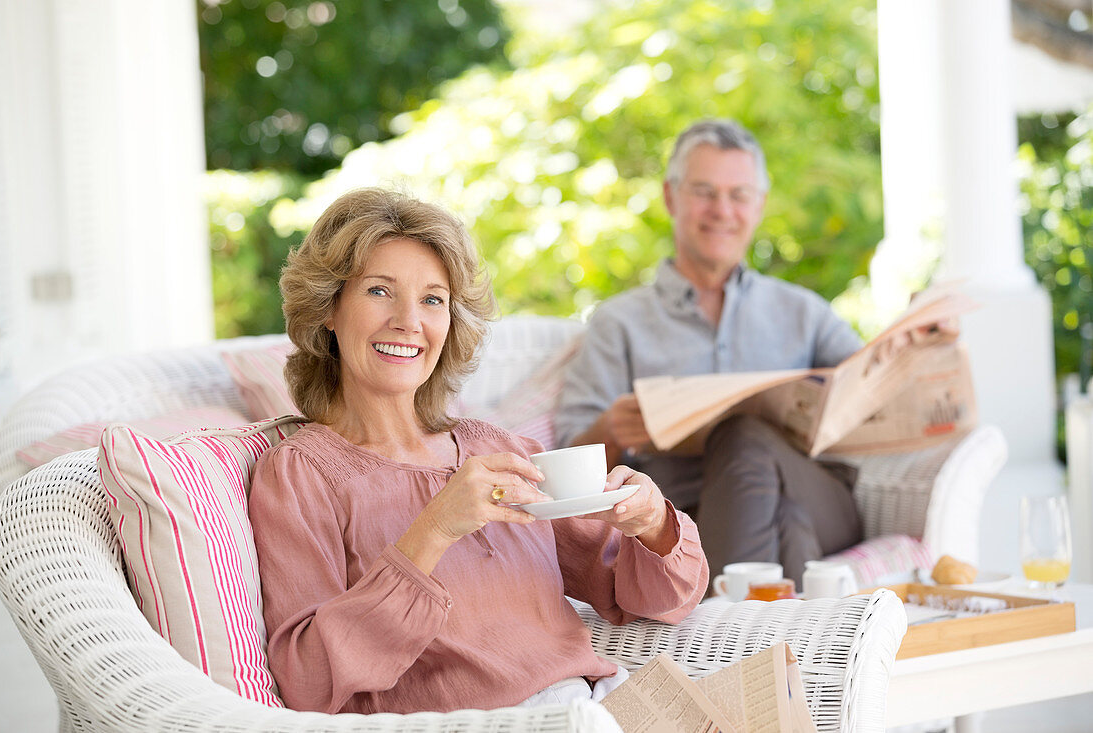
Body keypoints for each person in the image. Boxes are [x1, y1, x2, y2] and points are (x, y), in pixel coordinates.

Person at [247, 187, 708, 715]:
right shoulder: (301, 475)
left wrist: (650, 524)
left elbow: (654, 599)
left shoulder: (501, 450)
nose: (409, 321)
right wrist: (435, 528)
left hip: (600, 706)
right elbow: (307, 678)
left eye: (432, 299)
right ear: (329, 308)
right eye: (379, 291)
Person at [554, 119, 865, 585]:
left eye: (739, 195)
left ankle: (718, 627)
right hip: (683, 515)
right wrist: (611, 430)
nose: (722, 210)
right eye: (704, 191)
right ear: (670, 196)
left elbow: (870, 390)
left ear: (758, 206)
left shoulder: (805, 312)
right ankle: (793, 642)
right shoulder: (620, 322)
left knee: (746, 438)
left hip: (821, 497)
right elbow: (566, 462)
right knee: (788, 524)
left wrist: (919, 346)